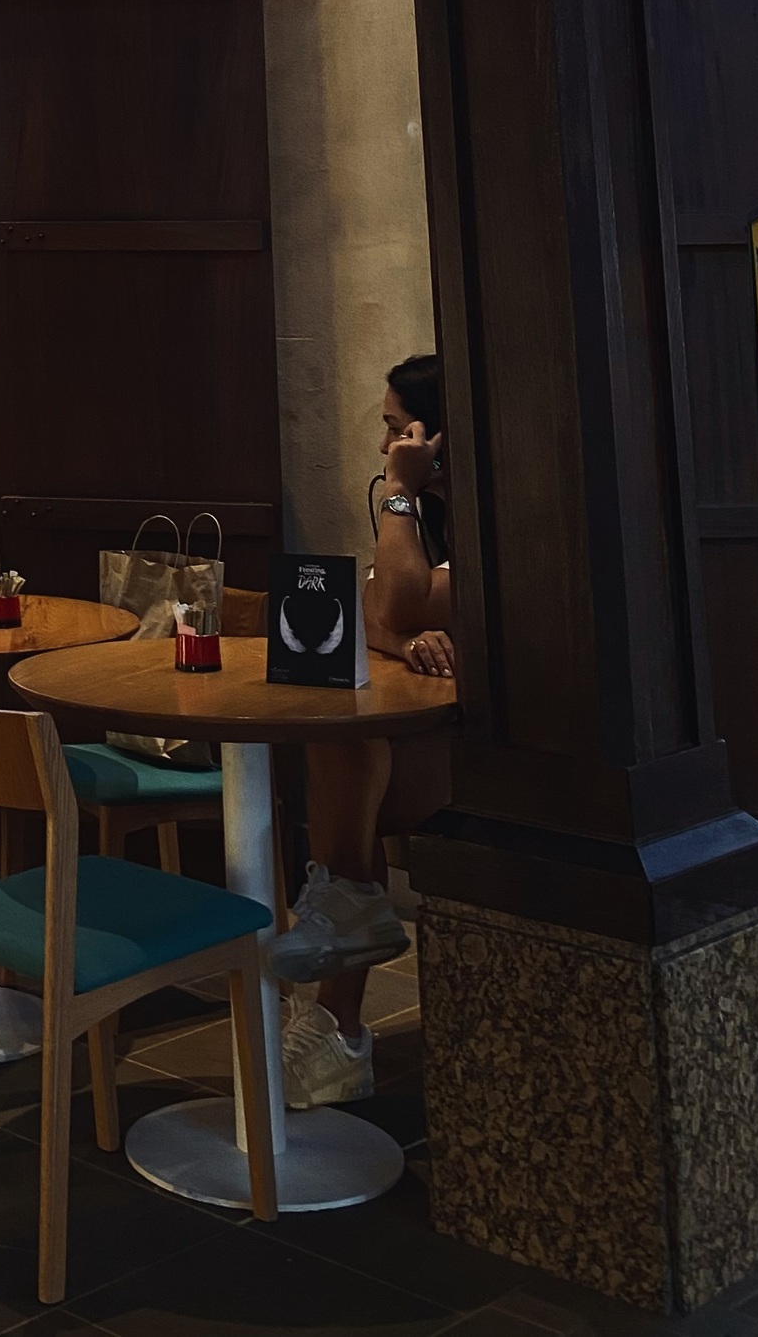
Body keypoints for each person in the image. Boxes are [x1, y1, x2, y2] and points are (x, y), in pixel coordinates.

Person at [273, 353, 455, 1110]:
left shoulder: (496, 512)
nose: (385, 448)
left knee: (352, 755)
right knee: (347, 735)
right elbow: (374, 610)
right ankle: (339, 972)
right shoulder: (425, 519)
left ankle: (337, 1011)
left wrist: (401, 493)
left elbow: (393, 602)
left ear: (435, 437)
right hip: (427, 729)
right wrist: (403, 636)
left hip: (505, 750)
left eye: (395, 429)